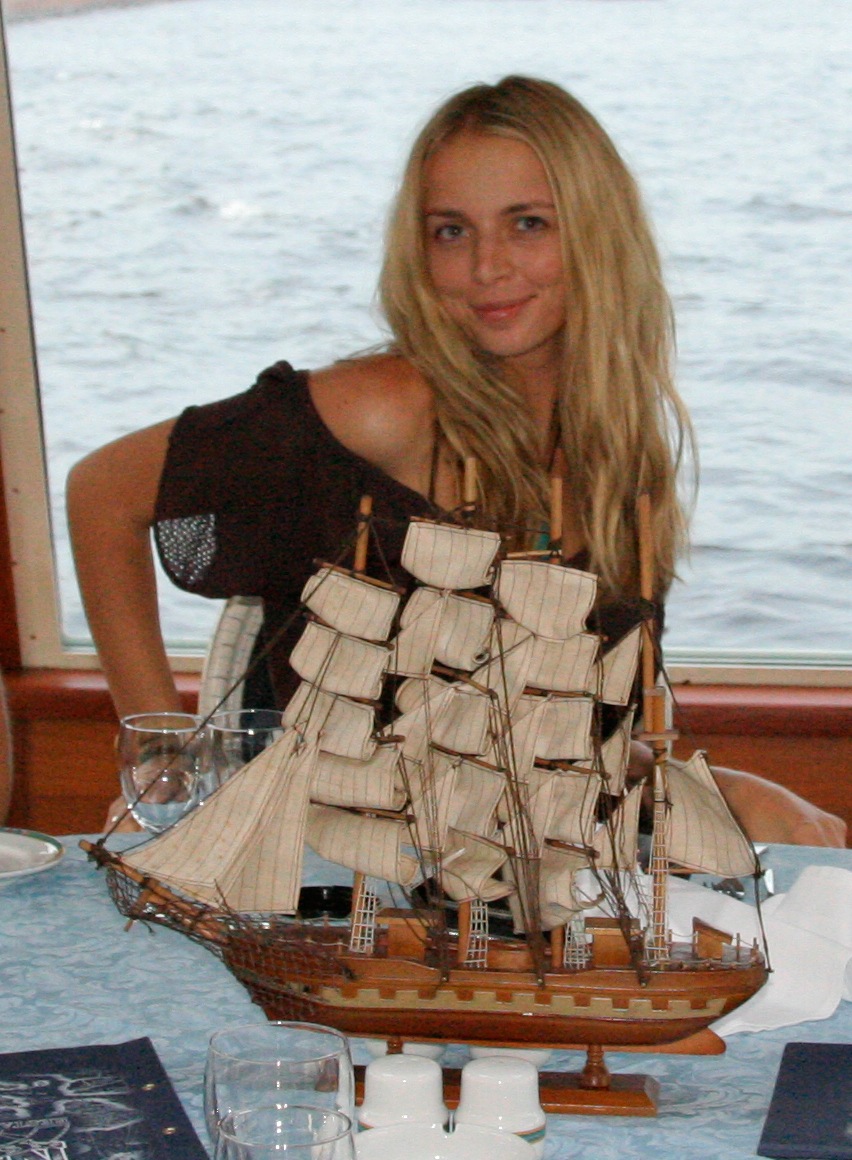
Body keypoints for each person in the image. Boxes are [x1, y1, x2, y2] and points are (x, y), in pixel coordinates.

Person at [67, 76, 845, 847]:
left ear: (600, 234)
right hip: (340, 864)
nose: (486, 266)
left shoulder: (620, 456)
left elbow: (556, 740)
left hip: (525, 866)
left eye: (528, 224)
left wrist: (717, 787)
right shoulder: (386, 409)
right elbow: (101, 492)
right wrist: (164, 759)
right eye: (450, 232)